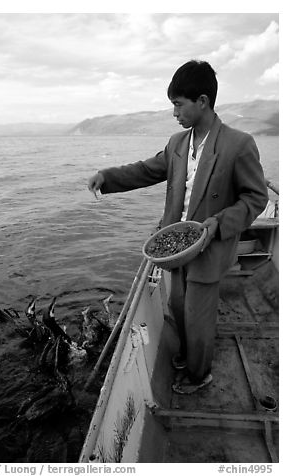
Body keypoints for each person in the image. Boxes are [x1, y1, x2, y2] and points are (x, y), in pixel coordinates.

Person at [88, 60, 268, 394]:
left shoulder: (238, 144)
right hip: (176, 246)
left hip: (209, 247)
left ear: (202, 101)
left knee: (198, 320)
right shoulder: (177, 144)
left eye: (178, 104)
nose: (175, 113)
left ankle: (200, 375)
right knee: (177, 308)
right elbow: (146, 170)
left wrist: (219, 223)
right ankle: (188, 354)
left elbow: (255, 198)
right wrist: (108, 176)